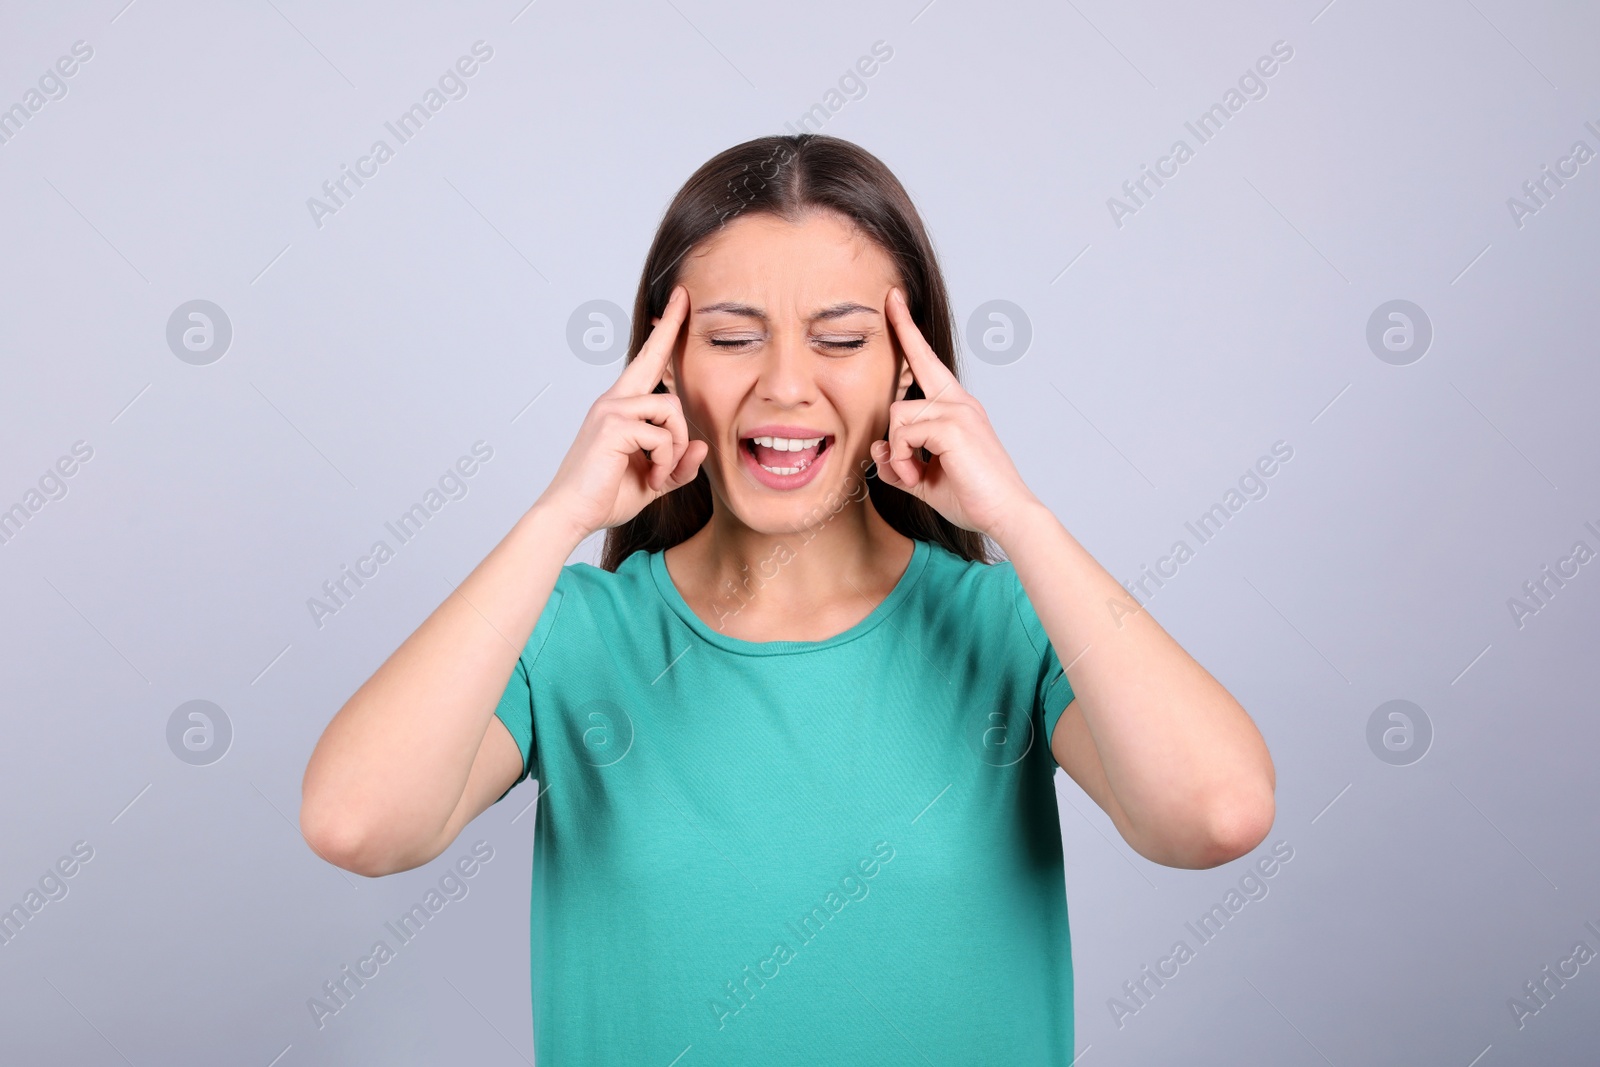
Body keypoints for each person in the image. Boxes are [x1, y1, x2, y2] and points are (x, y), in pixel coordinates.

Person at [299, 132, 1275, 1063]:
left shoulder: (1008, 626)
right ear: (664, 364)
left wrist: (1017, 515)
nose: (785, 385)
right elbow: (357, 824)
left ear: (909, 365)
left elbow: (1215, 815)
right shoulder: (573, 635)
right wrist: (560, 513)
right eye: (732, 338)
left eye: (840, 339)